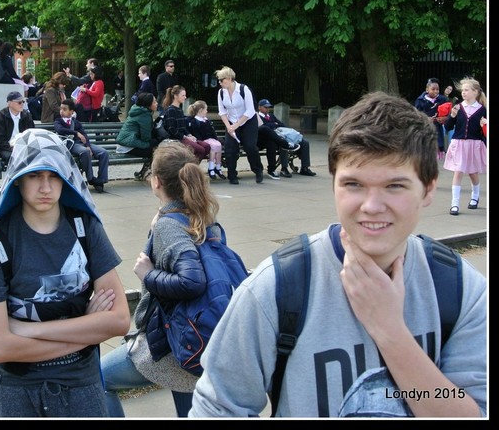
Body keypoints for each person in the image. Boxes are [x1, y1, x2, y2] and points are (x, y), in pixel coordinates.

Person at [189, 92, 487, 418]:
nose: (372, 206)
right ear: (334, 184)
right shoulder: (276, 288)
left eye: (395, 186)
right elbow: (218, 406)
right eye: (354, 184)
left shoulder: (460, 289)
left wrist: (391, 333)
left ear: (428, 189)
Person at [0, 128, 130, 417]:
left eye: (53, 175)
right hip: (17, 390)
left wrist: (28, 330)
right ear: (17, 178)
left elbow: (119, 320)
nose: (45, 187)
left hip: (82, 385)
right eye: (34, 175)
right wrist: (87, 330)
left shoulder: (85, 228)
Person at [102, 142, 219, 417]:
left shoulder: (169, 225)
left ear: (156, 181)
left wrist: (148, 274)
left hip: (170, 344)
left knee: (98, 378)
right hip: (197, 336)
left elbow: (192, 281)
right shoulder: (201, 216)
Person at [443, 77, 487, 216]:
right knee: (458, 172)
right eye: (462, 90)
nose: (463, 92)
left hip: (474, 145)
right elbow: (448, 127)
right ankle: (454, 204)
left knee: (473, 173)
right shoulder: (457, 107)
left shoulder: (482, 110)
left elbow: (485, 133)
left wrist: (484, 125)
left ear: (475, 92)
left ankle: (475, 196)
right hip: (459, 144)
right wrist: (452, 115)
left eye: (467, 90)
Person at [215, 66, 264, 184]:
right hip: (231, 122)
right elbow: (222, 111)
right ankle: (232, 175)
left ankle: (258, 170)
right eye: (219, 80)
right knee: (230, 148)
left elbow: (250, 110)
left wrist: (236, 125)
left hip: (248, 121)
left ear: (229, 78)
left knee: (250, 146)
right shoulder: (221, 92)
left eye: (221, 80)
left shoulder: (243, 89)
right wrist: (229, 126)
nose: (219, 82)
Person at [54, 99, 110, 193]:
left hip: (81, 143)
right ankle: (91, 178)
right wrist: (76, 133)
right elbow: (60, 130)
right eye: (61, 109)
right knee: (85, 152)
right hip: (71, 144)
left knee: (103, 152)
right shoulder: (58, 121)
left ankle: (101, 180)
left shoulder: (75, 122)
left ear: (71, 111)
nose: (61, 111)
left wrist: (88, 145)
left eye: (64, 109)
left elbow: (84, 134)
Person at [256, 98, 315, 178]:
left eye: (268, 107)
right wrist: (274, 124)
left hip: (282, 135)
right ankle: (284, 168)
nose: (267, 109)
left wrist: (273, 125)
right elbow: (264, 127)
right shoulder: (258, 117)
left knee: (304, 143)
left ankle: (305, 167)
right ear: (259, 107)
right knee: (283, 144)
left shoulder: (271, 116)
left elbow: (282, 125)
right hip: (271, 139)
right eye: (265, 107)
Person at [162, 85, 210, 162]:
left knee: (206, 146)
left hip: (184, 137)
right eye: (183, 95)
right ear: (175, 96)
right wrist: (185, 137)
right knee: (200, 150)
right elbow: (172, 129)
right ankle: (189, 167)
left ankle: (191, 165)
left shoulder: (180, 110)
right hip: (176, 139)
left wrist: (189, 135)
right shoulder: (170, 110)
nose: (185, 97)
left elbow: (183, 127)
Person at [0, 91, 36, 164]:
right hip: (6, 148)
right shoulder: (1, 116)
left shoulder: (26, 115)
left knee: (35, 156)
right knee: (13, 158)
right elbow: (0, 139)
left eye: (23, 102)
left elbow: (31, 133)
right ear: (9, 103)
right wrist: (12, 148)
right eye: (19, 102)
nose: (22, 104)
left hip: (24, 147)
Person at [187, 100, 225, 179]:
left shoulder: (207, 120)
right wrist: (202, 141)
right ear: (201, 110)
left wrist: (215, 139)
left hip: (210, 139)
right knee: (214, 146)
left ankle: (218, 167)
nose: (207, 111)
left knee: (218, 145)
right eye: (206, 109)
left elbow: (212, 132)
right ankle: (211, 168)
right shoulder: (195, 121)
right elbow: (197, 134)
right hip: (203, 140)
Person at [414, 77, 449, 160]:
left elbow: (449, 114)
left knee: (436, 153)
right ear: (427, 89)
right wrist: (425, 118)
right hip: (424, 130)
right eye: (433, 89)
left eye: (437, 89)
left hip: (438, 130)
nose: (436, 91)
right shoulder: (420, 100)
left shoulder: (442, 99)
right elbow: (415, 115)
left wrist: (444, 118)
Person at [116, 92, 158, 159]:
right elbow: (146, 138)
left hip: (123, 145)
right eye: (154, 102)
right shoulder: (144, 115)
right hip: (129, 147)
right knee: (158, 148)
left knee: (154, 144)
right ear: (148, 104)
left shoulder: (137, 110)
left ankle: (149, 165)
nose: (157, 103)